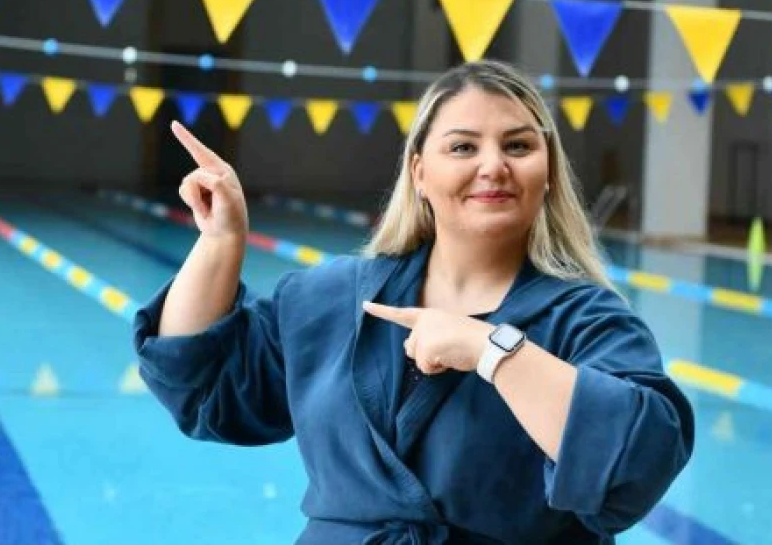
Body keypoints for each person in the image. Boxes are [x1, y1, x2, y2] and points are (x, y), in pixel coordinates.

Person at [132, 60, 694, 544]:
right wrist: (221, 240)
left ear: (546, 174)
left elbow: (637, 460)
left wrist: (492, 351)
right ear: (420, 172)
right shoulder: (332, 298)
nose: (493, 166)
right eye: (463, 146)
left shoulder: (587, 321)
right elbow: (199, 381)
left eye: (519, 146)